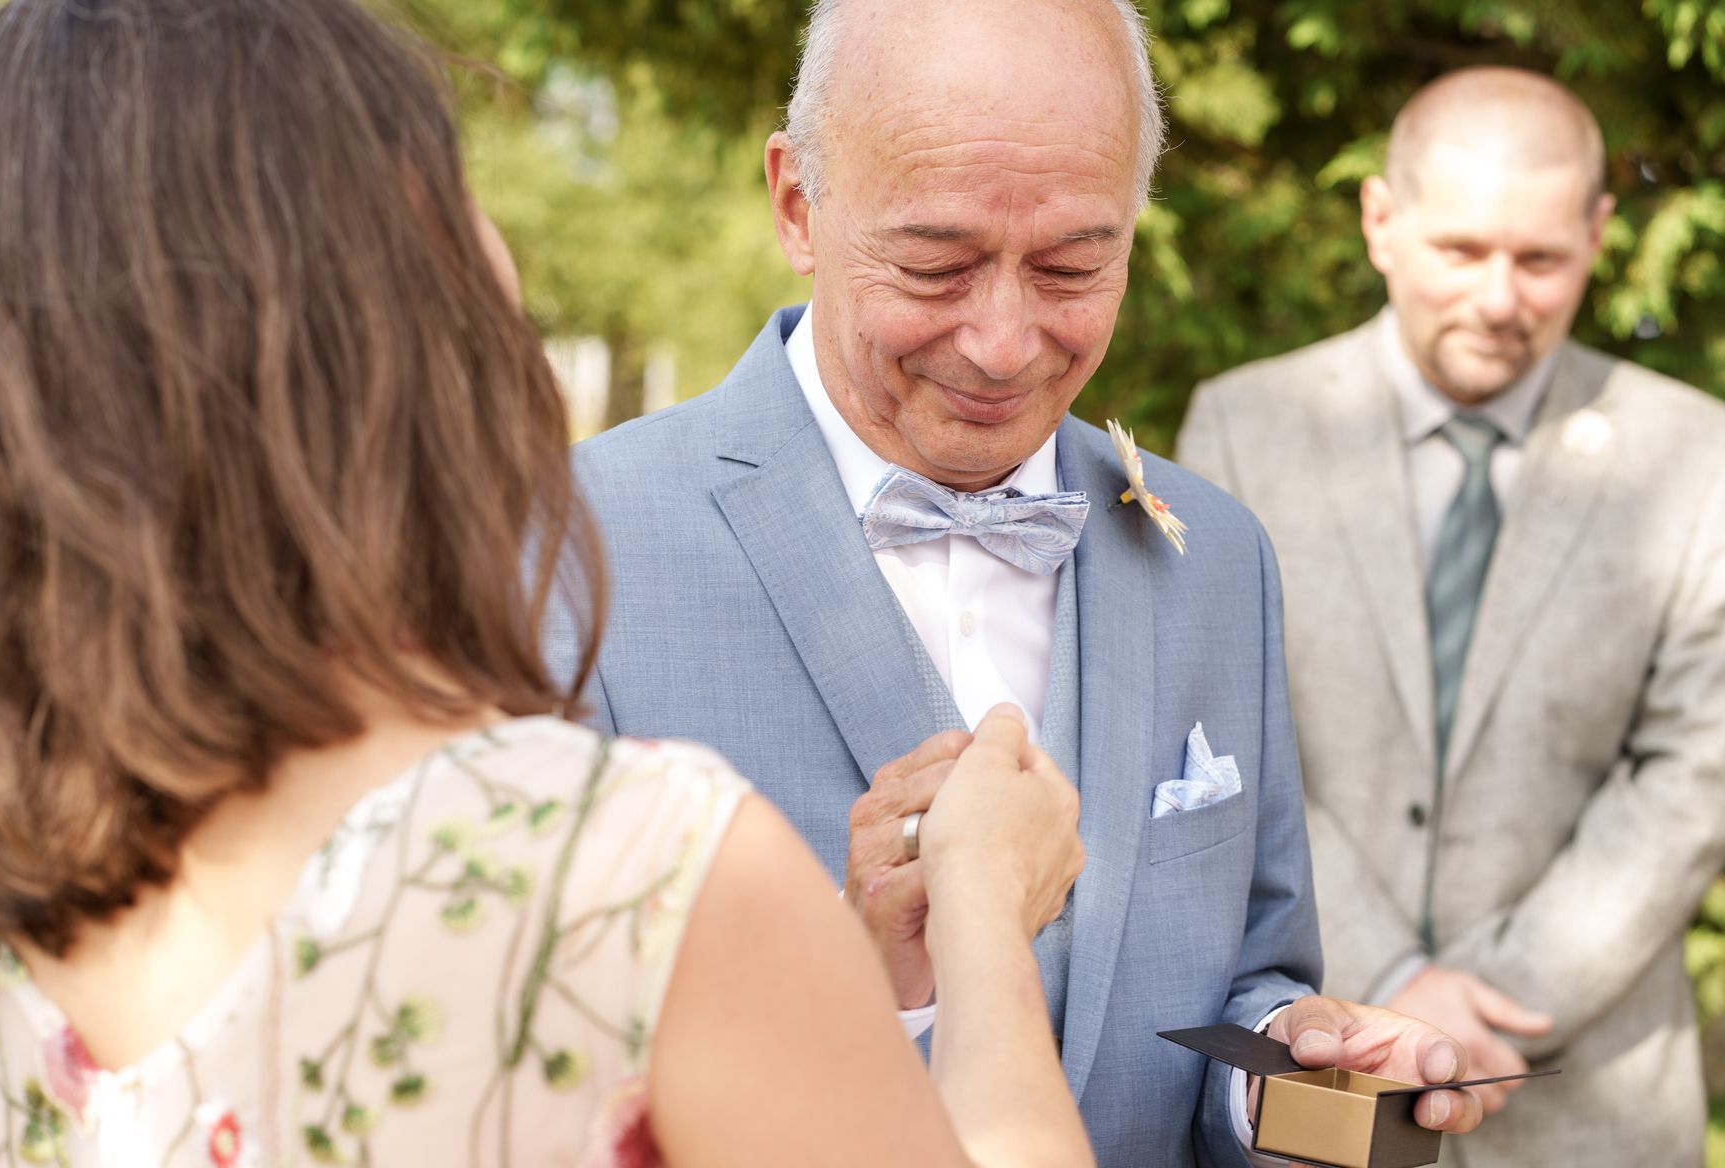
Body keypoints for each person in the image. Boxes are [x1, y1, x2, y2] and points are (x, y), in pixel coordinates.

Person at [0, 0, 1125, 1164]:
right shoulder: (641, 875)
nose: (1001, 340)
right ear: (373, 313)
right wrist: (982, 914)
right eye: (441, 170)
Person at [557, 0, 1485, 1162]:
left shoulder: (1216, 554)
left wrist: (1292, 1076)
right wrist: (874, 985)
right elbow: (530, 1079)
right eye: (936, 266)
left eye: (1071, 267)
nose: (1002, 344)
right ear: (798, 204)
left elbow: (1249, 977)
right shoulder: (570, 547)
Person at [1178, 65, 1725, 1167]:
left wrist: (1505, 992)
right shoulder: (1242, 428)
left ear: (1598, 234)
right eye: (1462, 252)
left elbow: (1698, 764)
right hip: (1321, 1073)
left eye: (1541, 261)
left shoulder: (1699, 453)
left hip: (1590, 1102)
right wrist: (1387, 981)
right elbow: (1214, 736)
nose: (1498, 299)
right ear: (1381, 221)